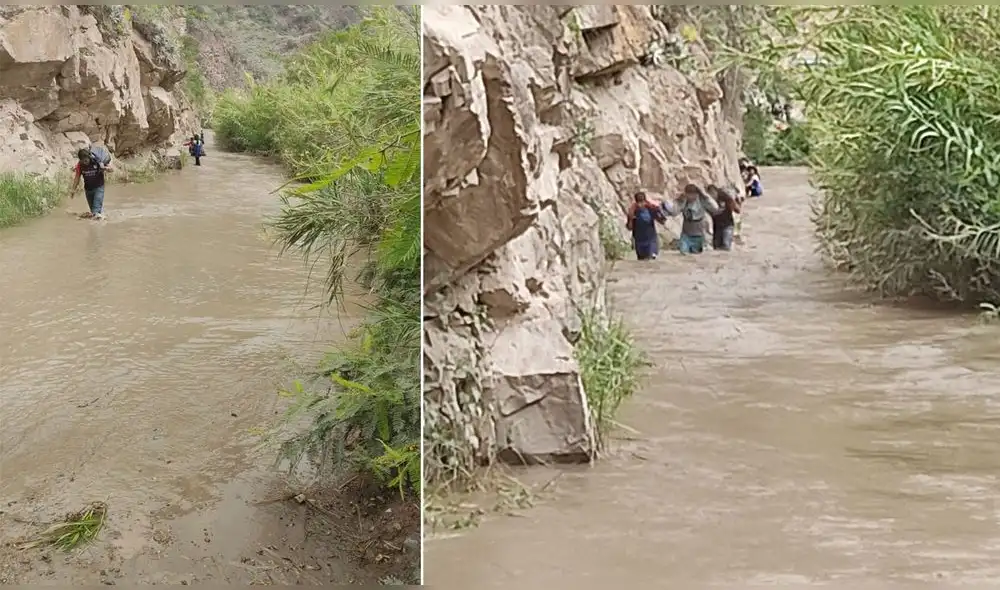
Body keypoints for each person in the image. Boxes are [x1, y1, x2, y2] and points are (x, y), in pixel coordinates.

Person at [663, 184, 719, 255]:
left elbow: (715, 207)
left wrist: (705, 195)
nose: (691, 197)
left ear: (696, 194)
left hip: (699, 236)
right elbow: (674, 212)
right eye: (689, 194)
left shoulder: (702, 201)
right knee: (683, 254)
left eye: (693, 195)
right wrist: (676, 201)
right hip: (686, 235)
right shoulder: (684, 201)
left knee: (696, 256)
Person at [68, 148, 112, 220]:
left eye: (86, 160)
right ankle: (102, 221)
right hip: (88, 190)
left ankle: (96, 228)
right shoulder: (80, 165)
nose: (85, 162)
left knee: (95, 211)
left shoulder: (97, 161)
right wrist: (73, 190)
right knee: (93, 212)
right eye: (83, 161)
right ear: (80, 160)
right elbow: (77, 177)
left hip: (99, 188)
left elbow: (111, 169)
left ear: (89, 157)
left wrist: (106, 168)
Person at [625, 191, 666, 261]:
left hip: (651, 240)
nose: (641, 204)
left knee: (650, 259)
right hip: (639, 241)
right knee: (641, 261)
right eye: (639, 202)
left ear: (645, 201)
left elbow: (662, 221)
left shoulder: (650, 209)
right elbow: (629, 228)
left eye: (642, 202)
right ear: (636, 203)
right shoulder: (633, 211)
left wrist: (658, 210)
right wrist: (631, 217)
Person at [708, 185, 741, 251]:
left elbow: (738, 210)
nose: (712, 197)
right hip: (717, 228)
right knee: (717, 248)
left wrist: (733, 204)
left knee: (726, 247)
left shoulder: (725, 198)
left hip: (727, 225)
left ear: (716, 192)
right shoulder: (708, 201)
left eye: (712, 194)